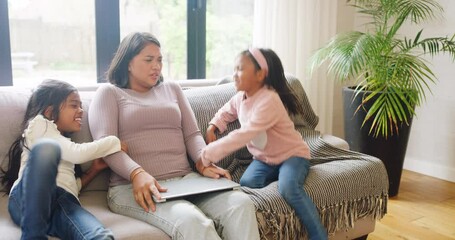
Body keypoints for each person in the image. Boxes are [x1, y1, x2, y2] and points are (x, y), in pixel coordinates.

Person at [88, 32, 260, 240]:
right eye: (148, 59)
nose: (157, 66)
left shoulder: (172, 89)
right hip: (133, 188)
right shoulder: (109, 93)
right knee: (192, 221)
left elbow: (192, 134)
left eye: (159, 59)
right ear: (128, 63)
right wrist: (136, 173)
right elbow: (107, 147)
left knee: (240, 205)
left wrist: (202, 161)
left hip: (186, 181)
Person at [201, 48, 328, 240]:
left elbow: (244, 134)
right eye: (234, 68)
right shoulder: (241, 97)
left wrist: (207, 154)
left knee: (289, 188)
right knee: (247, 182)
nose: (234, 74)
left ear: (260, 75)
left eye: (241, 69)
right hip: (265, 159)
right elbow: (227, 111)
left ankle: (319, 236)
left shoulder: (269, 100)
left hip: (292, 155)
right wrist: (213, 126)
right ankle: (281, 174)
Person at [0, 79, 126, 240]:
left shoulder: (65, 143)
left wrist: (94, 171)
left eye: (81, 106)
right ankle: (33, 235)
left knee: (100, 236)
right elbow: (77, 153)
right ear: (49, 112)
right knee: (47, 149)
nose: (81, 111)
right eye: (74, 105)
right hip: (28, 198)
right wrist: (113, 142)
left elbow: (69, 186)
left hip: (64, 203)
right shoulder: (39, 125)